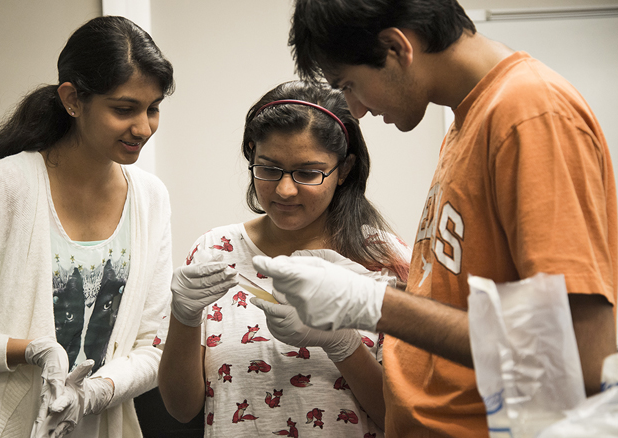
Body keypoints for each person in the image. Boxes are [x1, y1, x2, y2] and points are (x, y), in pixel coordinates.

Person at [250, 0, 618, 437]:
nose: (358, 109)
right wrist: (378, 288)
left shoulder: (529, 114)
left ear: (396, 47)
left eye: (349, 85)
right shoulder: (468, 123)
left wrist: (373, 305)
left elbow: (579, 355)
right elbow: (471, 300)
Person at [0, 15, 175, 438]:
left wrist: (95, 392)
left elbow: (153, 345)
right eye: (124, 109)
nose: (143, 127)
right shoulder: (7, 185)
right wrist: (27, 351)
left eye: (153, 109)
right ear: (72, 99)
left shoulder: (151, 198)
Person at [157, 80, 410, 437]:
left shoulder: (383, 261)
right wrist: (184, 317)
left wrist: (342, 342)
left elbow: (401, 420)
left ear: (345, 170)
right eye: (269, 168)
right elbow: (180, 409)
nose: (284, 189)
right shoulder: (214, 251)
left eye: (308, 173)